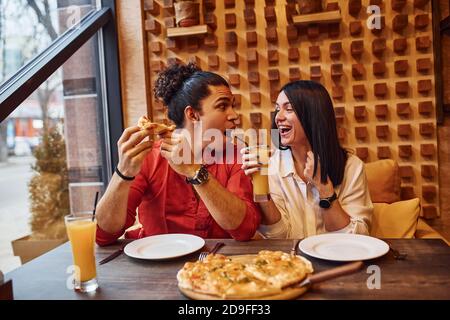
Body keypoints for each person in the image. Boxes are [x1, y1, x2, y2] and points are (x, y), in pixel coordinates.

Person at [95, 62, 261, 245]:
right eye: (223, 106)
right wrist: (122, 173)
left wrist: (194, 171)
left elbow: (244, 230)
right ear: (192, 115)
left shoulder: (235, 155)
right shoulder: (150, 157)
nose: (234, 115)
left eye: (232, 106)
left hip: (215, 267)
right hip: (156, 265)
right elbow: (104, 234)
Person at [242, 80, 373, 239]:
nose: (278, 117)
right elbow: (279, 237)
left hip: (338, 261)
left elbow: (357, 237)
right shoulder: (273, 166)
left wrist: (325, 189)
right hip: (292, 261)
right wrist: (261, 191)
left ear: (314, 116)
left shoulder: (351, 167)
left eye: (289, 109)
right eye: (277, 109)